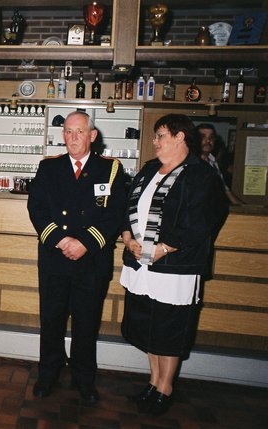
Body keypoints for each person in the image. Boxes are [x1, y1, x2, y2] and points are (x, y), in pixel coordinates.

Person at [120, 114, 228, 416]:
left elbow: (203, 221)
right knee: (149, 327)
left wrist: (165, 248)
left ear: (180, 137)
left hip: (175, 266)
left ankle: (165, 388)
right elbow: (128, 206)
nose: (155, 141)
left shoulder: (200, 174)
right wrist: (128, 237)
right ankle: (153, 381)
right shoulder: (149, 169)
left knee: (169, 329)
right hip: (142, 263)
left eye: (161, 135)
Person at [27, 111, 127, 403]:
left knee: (86, 323)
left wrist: (85, 243)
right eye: (68, 131)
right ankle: (48, 374)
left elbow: (115, 213)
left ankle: (84, 379)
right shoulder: (49, 167)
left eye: (79, 131)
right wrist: (60, 240)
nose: (72, 137)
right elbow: (36, 209)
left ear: (92, 135)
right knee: (52, 320)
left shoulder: (110, 169)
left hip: (91, 260)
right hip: (55, 258)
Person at [196, 123, 243, 205]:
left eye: (211, 137)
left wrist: (244, 207)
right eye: (203, 137)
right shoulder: (191, 162)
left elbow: (225, 189)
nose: (208, 141)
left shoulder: (213, 161)